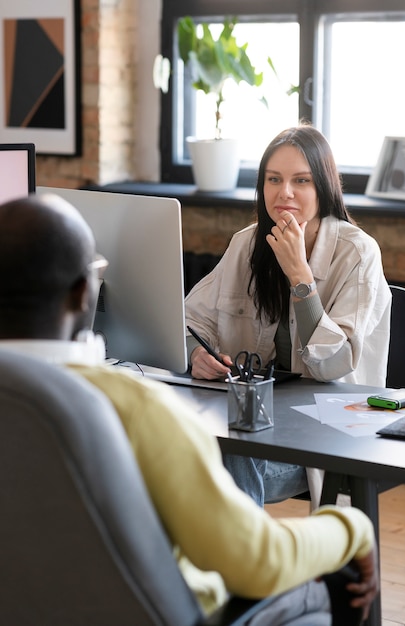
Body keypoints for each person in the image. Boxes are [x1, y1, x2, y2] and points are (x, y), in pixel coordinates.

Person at [0, 193, 379, 625]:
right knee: (335, 584)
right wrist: (353, 529)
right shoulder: (137, 410)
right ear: (83, 293)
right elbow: (257, 562)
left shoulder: (354, 251)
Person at [185, 124, 392, 508]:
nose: (285, 193)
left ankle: (246, 564)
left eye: (301, 180)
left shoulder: (358, 253)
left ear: (324, 188)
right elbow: (190, 321)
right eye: (273, 179)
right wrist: (196, 354)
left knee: (228, 457)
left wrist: (300, 275)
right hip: (258, 419)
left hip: (327, 431)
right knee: (186, 449)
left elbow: (334, 364)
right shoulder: (246, 244)